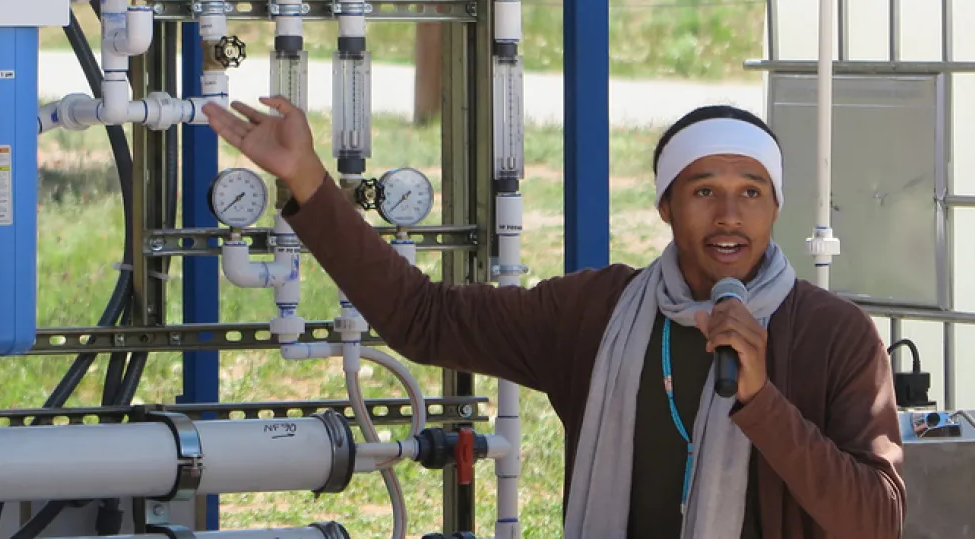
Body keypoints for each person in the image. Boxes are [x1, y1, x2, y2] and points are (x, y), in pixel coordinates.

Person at [203, 97, 906, 539]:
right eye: (703, 190)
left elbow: (876, 520)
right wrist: (308, 183)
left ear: (776, 206)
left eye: (751, 191)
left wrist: (761, 400)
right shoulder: (597, 313)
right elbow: (423, 318)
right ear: (665, 206)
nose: (729, 214)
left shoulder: (834, 334)